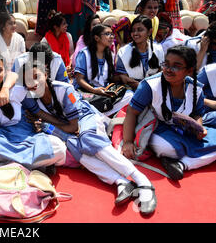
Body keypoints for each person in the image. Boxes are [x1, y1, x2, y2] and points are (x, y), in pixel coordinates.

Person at [20, 61, 157, 215]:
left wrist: (48, 126)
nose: (33, 83)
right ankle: (121, 181)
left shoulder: (64, 89)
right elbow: (49, 121)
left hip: (85, 118)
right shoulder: (28, 98)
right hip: (65, 126)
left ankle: (142, 180)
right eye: (27, 80)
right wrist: (49, 125)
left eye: (36, 76)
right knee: (74, 147)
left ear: (45, 75)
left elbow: (73, 126)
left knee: (87, 139)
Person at [0, 53, 67, 179]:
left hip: (28, 137)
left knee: (59, 148)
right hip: (3, 138)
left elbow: (37, 110)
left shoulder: (16, 89)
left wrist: (62, 124)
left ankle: (3, 165)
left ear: (5, 71)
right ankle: (32, 166)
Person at [123, 46, 216, 181]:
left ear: (189, 71)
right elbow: (132, 112)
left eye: (176, 66)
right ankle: (184, 157)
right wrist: (127, 142)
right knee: (167, 148)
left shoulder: (196, 88)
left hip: (184, 129)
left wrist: (198, 128)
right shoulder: (150, 85)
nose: (168, 69)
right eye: (166, 64)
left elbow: (197, 114)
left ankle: (182, 164)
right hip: (159, 128)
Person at [74, 24, 133, 116]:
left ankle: (100, 114)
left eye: (112, 34)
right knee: (80, 102)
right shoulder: (84, 53)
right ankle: (101, 113)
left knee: (129, 95)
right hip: (87, 92)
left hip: (103, 92)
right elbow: (79, 79)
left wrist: (121, 78)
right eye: (107, 34)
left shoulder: (111, 55)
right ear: (97, 38)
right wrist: (94, 90)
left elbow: (109, 78)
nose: (111, 37)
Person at [115, 15, 164, 90]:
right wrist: (142, 88)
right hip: (132, 90)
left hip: (155, 87)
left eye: (140, 30)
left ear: (149, 32)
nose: (135, 33)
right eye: (133, 30)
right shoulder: (123, 51)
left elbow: (161, 72)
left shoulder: (158, 49)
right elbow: (123, 77)